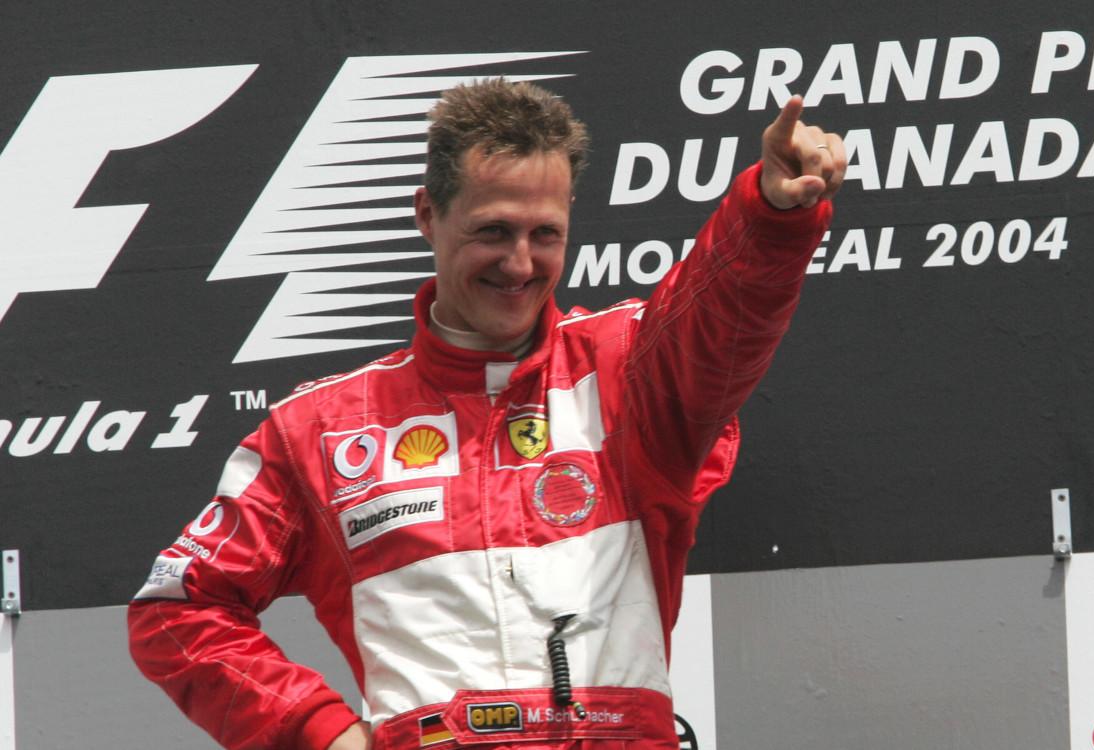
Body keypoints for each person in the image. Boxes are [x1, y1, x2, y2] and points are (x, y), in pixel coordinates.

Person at [128, 78, 845, 750]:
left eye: (546, 234)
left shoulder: (628, 372)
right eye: (494, 232)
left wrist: (772, 216)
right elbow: (176, 609)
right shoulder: (320, 429)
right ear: (427, 214)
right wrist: (322, 733)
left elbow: (723, 311)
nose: (521, 264)